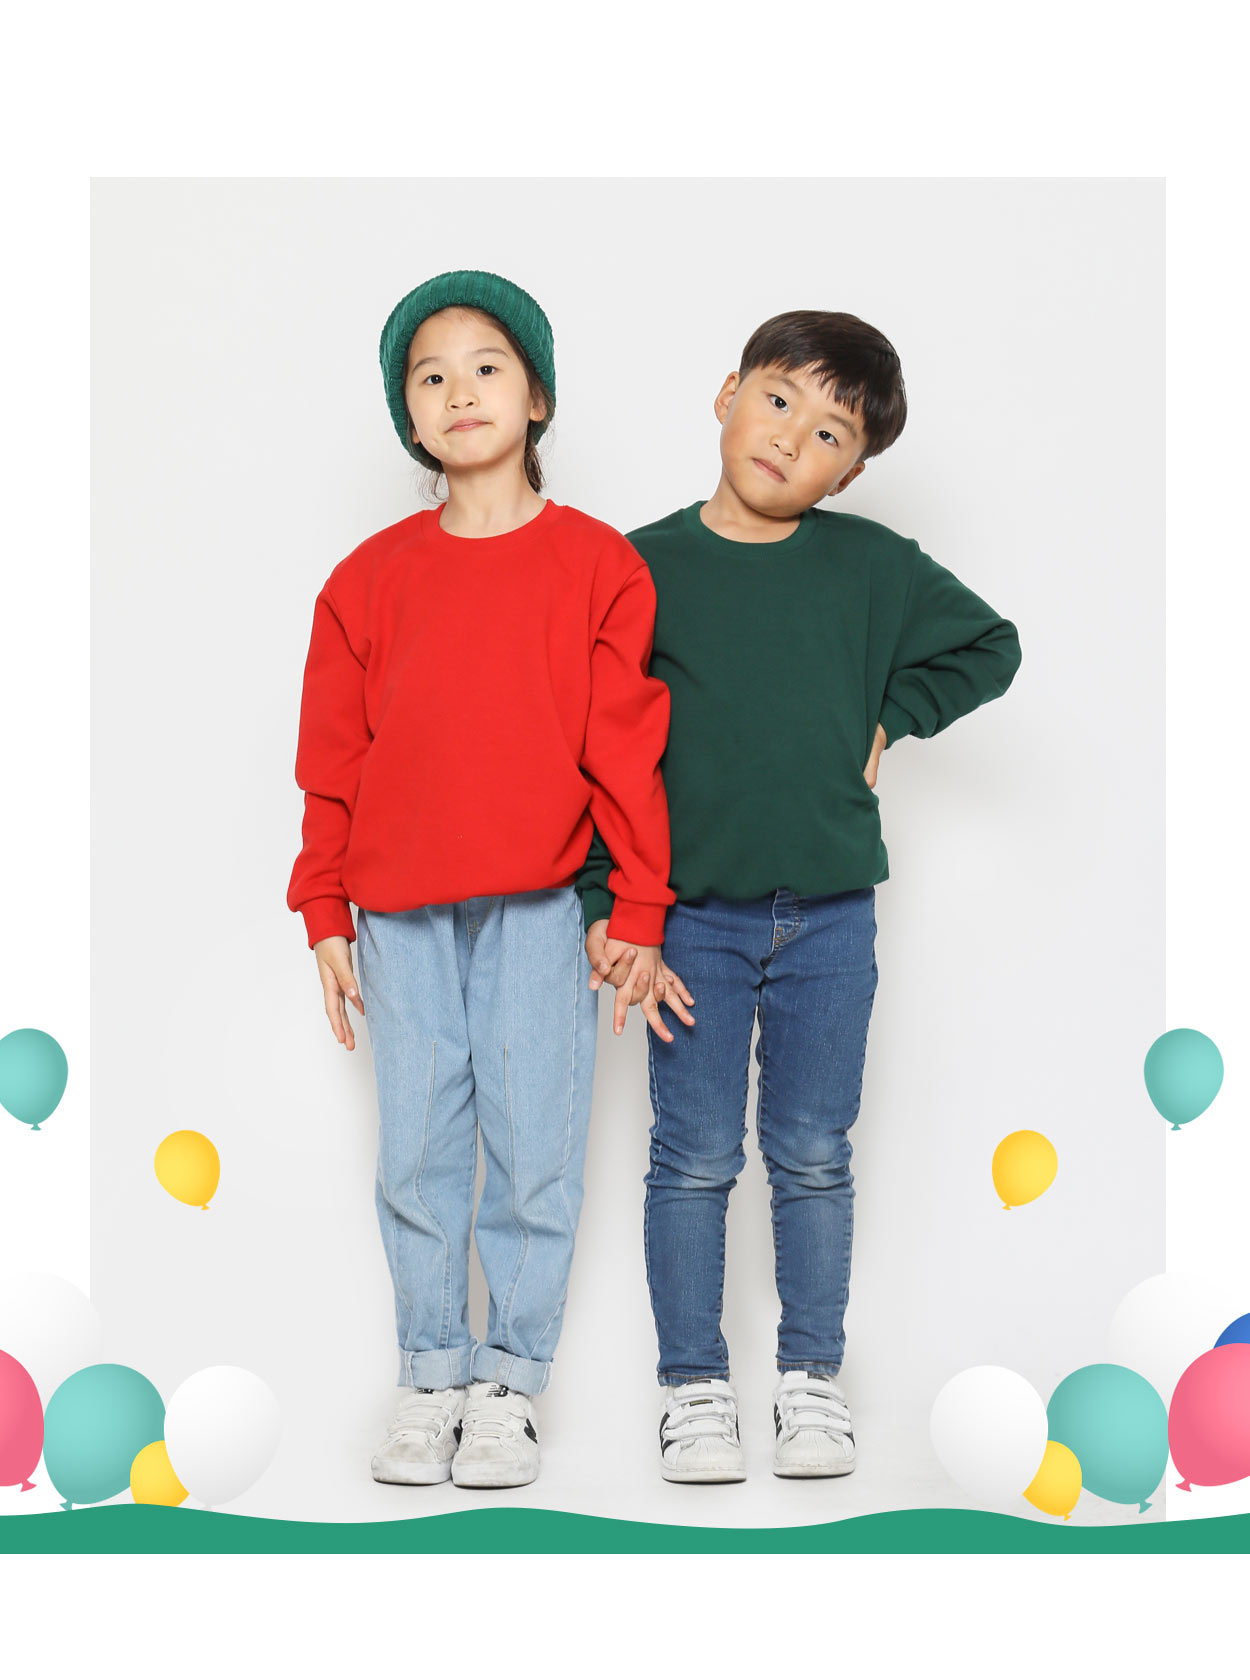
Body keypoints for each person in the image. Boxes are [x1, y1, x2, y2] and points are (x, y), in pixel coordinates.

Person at [578, 309, 1022, 1483]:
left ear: (850, 472)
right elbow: (591, 751)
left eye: (828, 433)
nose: (789, 438)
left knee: (814, 1152)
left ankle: (811, 1378)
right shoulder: (635, 567)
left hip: (828, 918)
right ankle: (692, 1386)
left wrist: (893, 716)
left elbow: (989, 647)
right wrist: (604, 905)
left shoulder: (869, 565)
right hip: (688, 922)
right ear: (725, 394)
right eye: (777, 400)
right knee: (692, 1156)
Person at [286, 269, 686, 1490]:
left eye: (486, 367)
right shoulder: (365, 580)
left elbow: (625, 749)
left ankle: (506, 1386)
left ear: (537, 397)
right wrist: (322, 905)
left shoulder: (598, 566)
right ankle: (427, 1375)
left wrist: (639, 906)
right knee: (415, 1153)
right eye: (430, 375)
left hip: (540, 906)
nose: (458, 391)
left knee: (534, 1152)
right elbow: (331, 758)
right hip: (397, 913)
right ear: (409, 416)